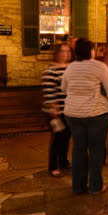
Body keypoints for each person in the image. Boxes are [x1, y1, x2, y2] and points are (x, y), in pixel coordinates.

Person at [62, 38, 108, 194]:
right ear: (91, 51)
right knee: (96, 150)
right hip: (97, 114)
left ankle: (78, 187)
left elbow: (64, 89)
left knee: (78, 149)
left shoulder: (70, 67)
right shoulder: (99, 66)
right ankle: (95, 186)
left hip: (73, 114)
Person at [42, 42, 72, 177]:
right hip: (57, 110)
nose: (65, 54)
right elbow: (49, 92)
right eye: (63, 51)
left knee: (66, 137)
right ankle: (53, 166)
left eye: (67, 51)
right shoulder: (51, 70)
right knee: (57, 139)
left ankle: (63, 162)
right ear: (57, 53)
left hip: (69, 109)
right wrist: (54, 109)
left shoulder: (70, 68)